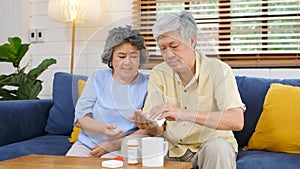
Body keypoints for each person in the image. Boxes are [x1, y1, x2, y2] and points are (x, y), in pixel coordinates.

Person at [130, 11, 246, 169]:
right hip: (172, 148)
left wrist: (182, 114)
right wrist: (148, 124)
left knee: (218, 148)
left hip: (207, 147)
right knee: (133, 144)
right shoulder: (159, 73)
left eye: (174, 46)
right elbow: (158, 128)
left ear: (191, 41)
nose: (168, 54)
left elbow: (236, 120)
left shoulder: (218, 70)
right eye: (163, 48)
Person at [66, 25, 150, 158]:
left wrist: (113, 144)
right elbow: (80, 119)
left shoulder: (148, 83)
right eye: (121, 56)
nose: (127, 62)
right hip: (87, 145)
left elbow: (149, 129)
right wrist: (102, 129)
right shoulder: (97, 78)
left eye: (133, 56)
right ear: (110, 57)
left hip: (123, 147)